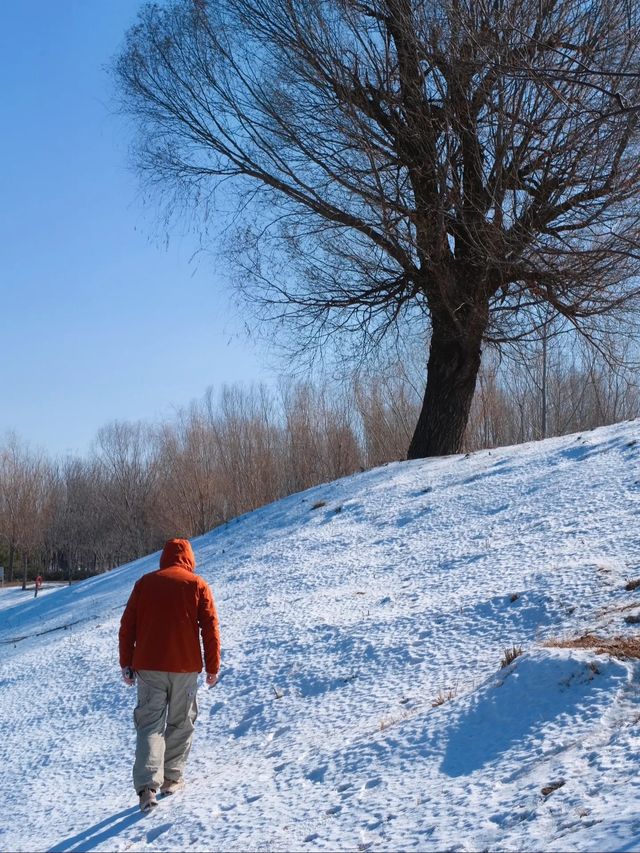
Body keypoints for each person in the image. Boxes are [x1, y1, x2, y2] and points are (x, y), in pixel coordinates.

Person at [119, 538, 221, 812]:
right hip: (185, 668)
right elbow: (210, 628)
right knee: (181, 722)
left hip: (148, 667)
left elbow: (128, 625)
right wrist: (213, 666)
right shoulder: (196, 584)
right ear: (189, 557)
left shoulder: (145, 583)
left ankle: (147, 788)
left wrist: (126, 663)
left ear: (164, 557)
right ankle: (171, 778)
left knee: (150, 725)